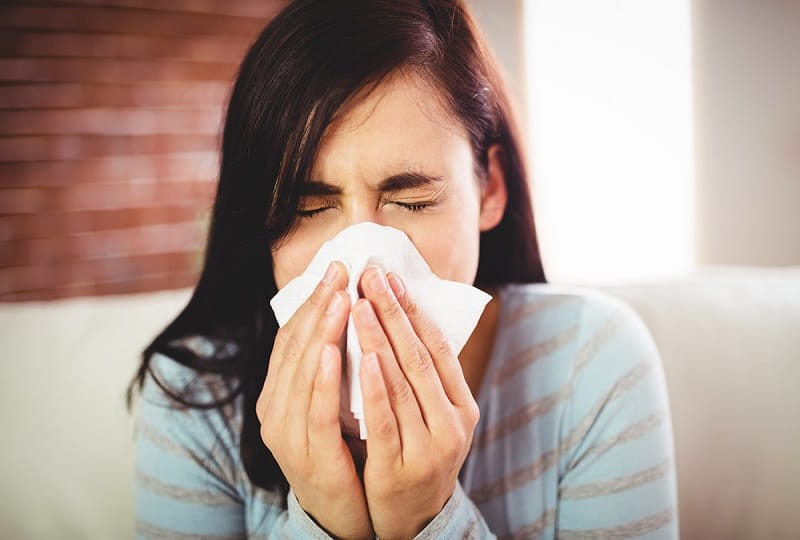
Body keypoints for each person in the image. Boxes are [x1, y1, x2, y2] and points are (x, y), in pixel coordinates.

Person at [129, 0, 679, 538]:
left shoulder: (591, 361)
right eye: (309, 209)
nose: (364, 261)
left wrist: (428, 517)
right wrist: (322, 519)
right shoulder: (192, 397)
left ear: (490, 188)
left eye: (412, 201)